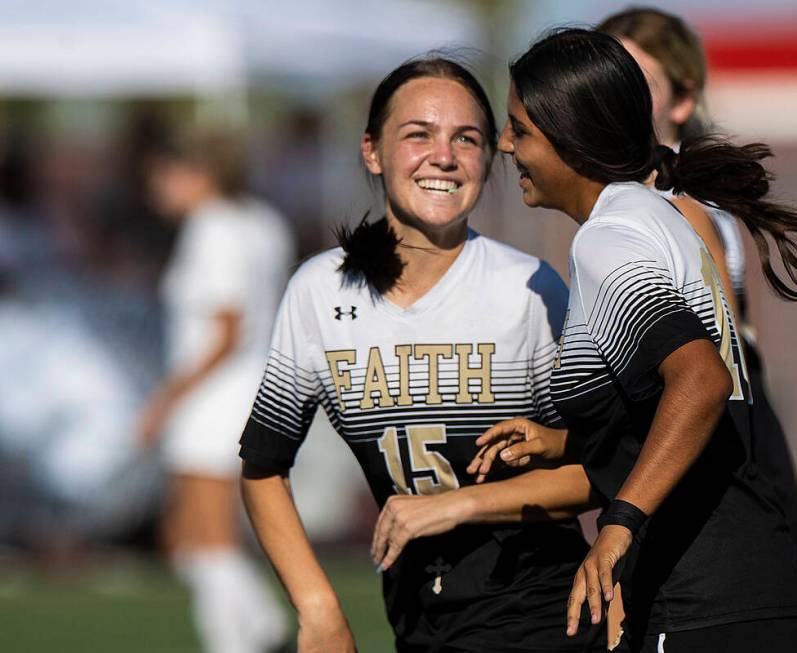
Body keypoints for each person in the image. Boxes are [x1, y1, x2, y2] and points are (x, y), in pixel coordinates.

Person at [474, 28, 797, 652]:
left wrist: (619, 525)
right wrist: (565, 442)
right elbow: (672, 415)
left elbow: (701, 382)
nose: (505, 145)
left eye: (520, 129)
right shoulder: (657, 215)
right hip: (743, 581)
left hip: (702, 588)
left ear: (571, 139)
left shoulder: (608, 240)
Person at [238, 57, 605, 653]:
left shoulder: (531, 288)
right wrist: (318, 610)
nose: (444, 156)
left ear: (490, 158)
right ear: (372, 151)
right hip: (415, 616)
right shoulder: (319, 291)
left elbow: (604, 468)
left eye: (467, 138)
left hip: (540, 610)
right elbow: (262, 467)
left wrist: (457, 507)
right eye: (418, 134)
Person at [597, 4, 797, 571]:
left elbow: (720, 361)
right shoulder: (623, 207)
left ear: (683, 99)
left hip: (717, 457)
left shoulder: (680, 208)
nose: (614, 99)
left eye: (636, 83)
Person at [140, 131, 294, 653]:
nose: (158, 187)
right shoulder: (262, 221)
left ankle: (253, 633)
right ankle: (257, 629)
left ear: (197, 172)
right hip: (251, 390)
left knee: (205, 541)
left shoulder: (214, 228)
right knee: (194, 539)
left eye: (166, 174)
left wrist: (166, 398)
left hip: (215, 399)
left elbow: (226, 328)